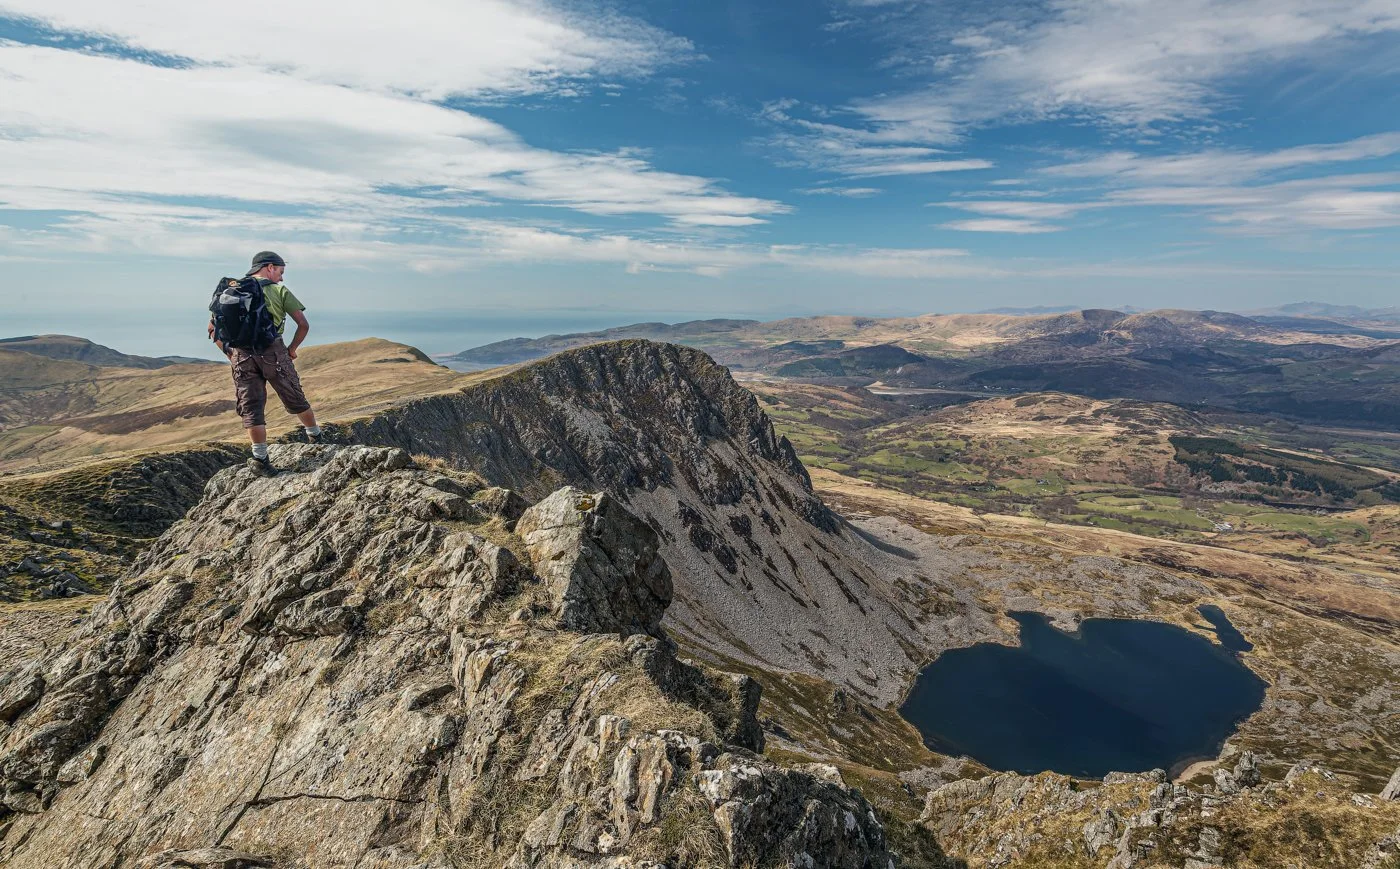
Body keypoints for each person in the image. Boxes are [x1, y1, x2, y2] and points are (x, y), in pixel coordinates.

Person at [209, 250, 321, 470]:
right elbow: (303, 325)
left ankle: (260, 458)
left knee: (251, 407)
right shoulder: (279, 290)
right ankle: (316, 438)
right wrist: (292, 349)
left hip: (241, 356)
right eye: (280, 271)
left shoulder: (231, 291)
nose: (282, 277)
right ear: (269, 267)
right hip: (273, 353)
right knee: (294, 395)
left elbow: (213, 329)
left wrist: (231, 355)